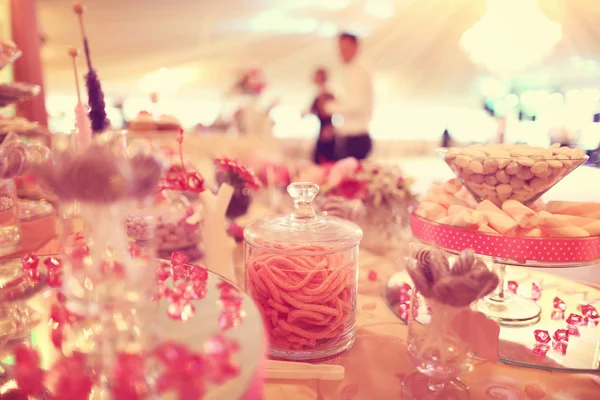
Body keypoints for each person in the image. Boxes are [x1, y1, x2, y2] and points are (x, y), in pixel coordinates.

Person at [325, 32, 374, 160]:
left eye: (345, 48)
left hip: (356, 139)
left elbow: (356, 106)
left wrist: (329, 107)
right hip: (348, 137)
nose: (341, 52)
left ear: (356, 47)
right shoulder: (348, 71)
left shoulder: (360, 72)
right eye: (340, 49)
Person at [309, 68, 336, 164]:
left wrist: (329, 129)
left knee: (327, 161)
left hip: (327, 132)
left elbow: (331, 112)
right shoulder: (317, 95)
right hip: (321, 131)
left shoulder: (328, 95)